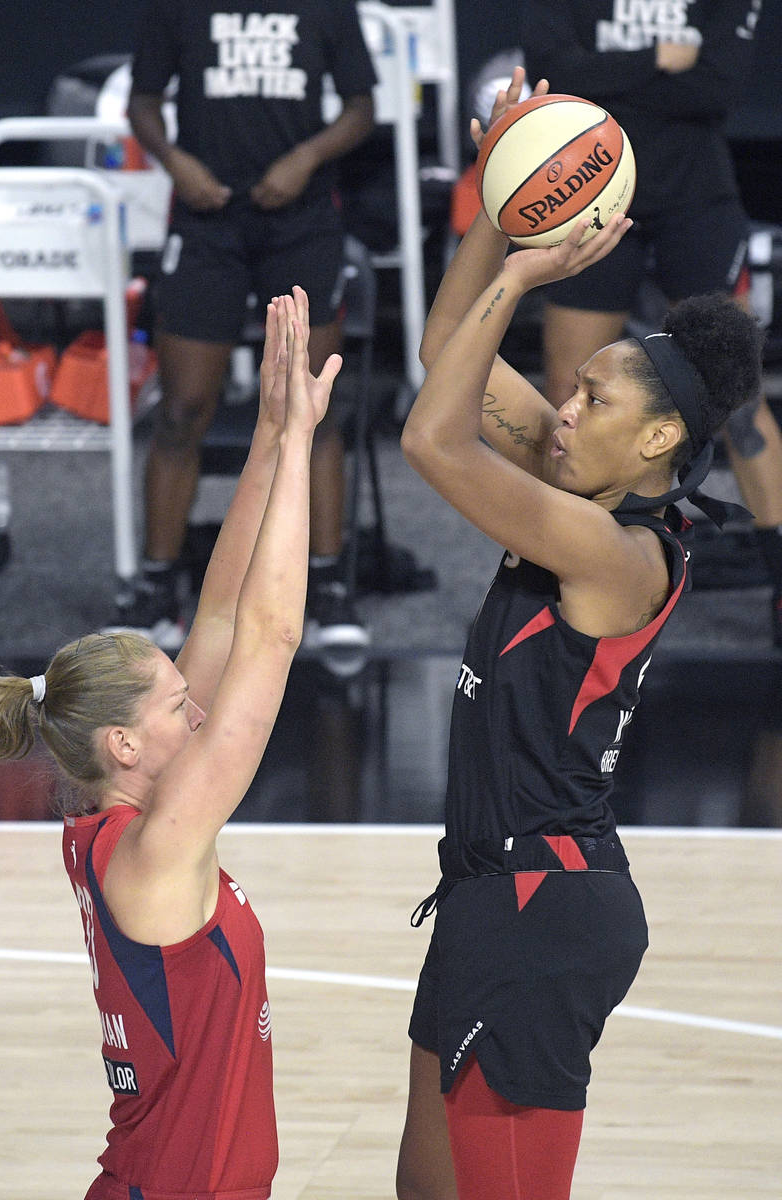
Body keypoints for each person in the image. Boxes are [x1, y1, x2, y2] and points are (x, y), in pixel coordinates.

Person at [395, 69, 764, 1200]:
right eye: (568, 389)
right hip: (486, 901)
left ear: (658, 436)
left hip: (540, 914)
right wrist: (494, 203)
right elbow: (441, 354)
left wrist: (519, 270)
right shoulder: (579, 502)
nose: (561, 408)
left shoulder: (616, 552)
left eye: (590, 399)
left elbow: (430, 441)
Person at [0, 289, 341, 1200]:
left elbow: (223, 613)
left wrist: (264, 433)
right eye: (180, 707)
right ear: (124, 747)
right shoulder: (158, 846)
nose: (201, 714)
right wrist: (301, 446)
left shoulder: (124, 826)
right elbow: (270, 636)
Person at [520, 0, 782, 647]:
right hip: (590, 194)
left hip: (695, 194)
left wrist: (608, 77)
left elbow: (717, 84)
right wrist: (659, 61)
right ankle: (562, 572)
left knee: (739, 406)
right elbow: (552, 73)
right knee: (570, 398)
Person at [118, 0, 376, 656]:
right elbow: (143, 103)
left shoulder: (327, 8)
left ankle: (328, 587)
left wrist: (305, 158)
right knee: (182, 409)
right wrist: (177, 163)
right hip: (206, 221)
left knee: (311, 407)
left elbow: (360, 109)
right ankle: (156, 584)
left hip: (303, 216)